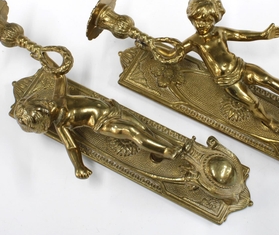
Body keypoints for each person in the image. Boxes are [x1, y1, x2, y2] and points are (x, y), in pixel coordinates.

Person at [156, 0, 279, 133]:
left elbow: (241, 35)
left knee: (268, 79)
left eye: (208, 20)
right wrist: (153, 45)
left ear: (215, 19)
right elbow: (174, 54)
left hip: (240, 66)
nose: (203, 24)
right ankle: (269, 121)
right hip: (228, 81)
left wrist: (263, 35)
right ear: (192, 19)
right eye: (198, 20)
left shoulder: (220, 32)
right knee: (253, 102)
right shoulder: (194, 41)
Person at [12, 72, 184, 178]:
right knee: (132, 131)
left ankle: (158, 150)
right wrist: (79, 167)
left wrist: (47, 58)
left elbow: (59, 75)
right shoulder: (61, 124)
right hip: (103, 123)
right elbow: (71, 147)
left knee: (144, 128)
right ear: (46, 119)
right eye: (45, 110)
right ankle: (167, 151)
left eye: (44, 104)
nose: (49, 104)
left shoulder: (59, 98)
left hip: (112, 108)